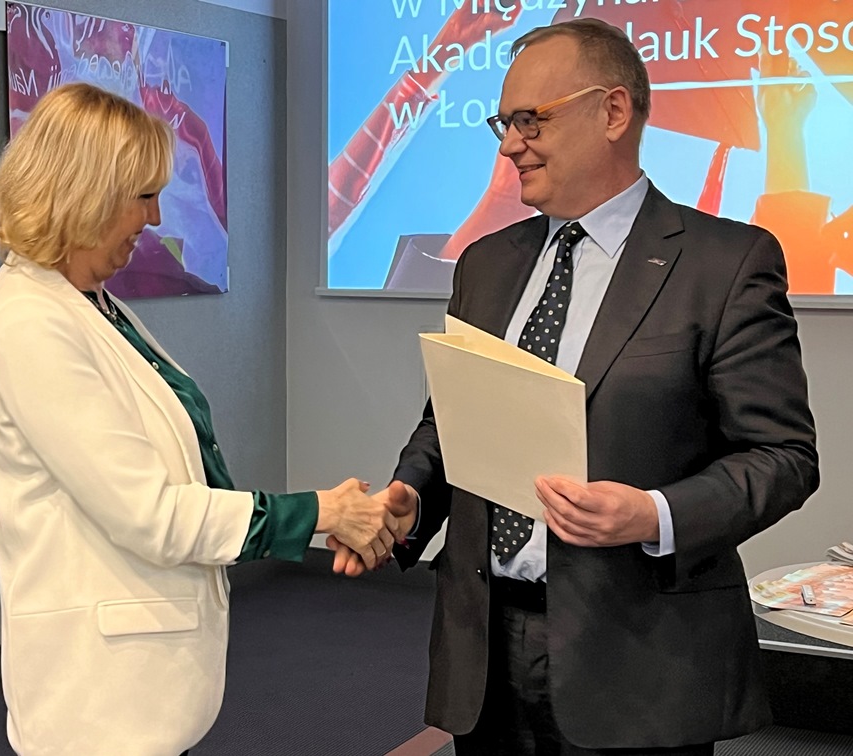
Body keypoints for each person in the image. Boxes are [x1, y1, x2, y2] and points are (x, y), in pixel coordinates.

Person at [330, 18, 819, 756]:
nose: (509, 144)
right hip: (482, 654)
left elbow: (782, 457)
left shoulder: (725, 263)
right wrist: (411, 498)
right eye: (503, 122)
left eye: (531, 119)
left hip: (641, 663)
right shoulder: (485, 264)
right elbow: (451, 422)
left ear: (613, 112)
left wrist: (653, 514)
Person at [0, 82, 402, 756]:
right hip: (96, 703)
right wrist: (321, 512)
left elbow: (189, 470)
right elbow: (150, 513)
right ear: (84, 192)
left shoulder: (90, 304)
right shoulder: (31, 324)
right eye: (143, 195)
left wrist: (327, 515)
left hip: (135, 688)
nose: (154, 215)